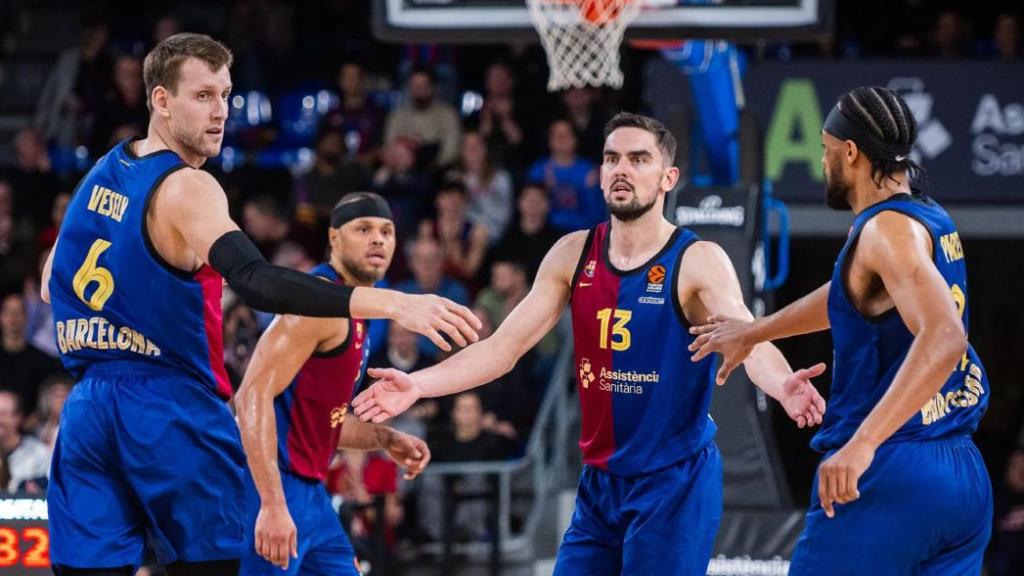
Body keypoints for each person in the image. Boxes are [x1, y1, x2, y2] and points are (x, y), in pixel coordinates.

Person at [40, 33, 479, 575]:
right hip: (167, 406)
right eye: (203, 96)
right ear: (159, 100)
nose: (221, 111)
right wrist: (392, 303)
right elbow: (254, 278)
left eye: (226, 95)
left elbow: (49, 280)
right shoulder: (187, 187)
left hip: (86, 408)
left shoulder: (101, 174)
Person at [353, 112, 826, 575]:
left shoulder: (697, 259)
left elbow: (746, 335)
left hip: (673, 481)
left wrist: (783, 384)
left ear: (668, 178)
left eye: (639, 159)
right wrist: (418, 384)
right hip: (600, 482)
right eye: (612, 158)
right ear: (600, 174)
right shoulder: (572, 252)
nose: (622, 169)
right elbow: (503, 348)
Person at [688, 86, 992, 575]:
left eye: (826, 150)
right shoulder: (928, 218)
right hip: (959, 472)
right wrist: (755, 331)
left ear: (850, 153)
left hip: (890, 469)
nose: (822, 161)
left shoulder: (886, 232)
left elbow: (945, 335)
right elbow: (847, 295)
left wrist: (864, 443)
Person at [236, 192, 431, 573]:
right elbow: (250, 397)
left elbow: (321, 418)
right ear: (334, 238)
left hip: (311, 494)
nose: (378, 239)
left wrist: (383, 438)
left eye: (387, 231)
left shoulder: (356, 312)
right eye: (364, 229)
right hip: (271, 486)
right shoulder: (318, 304)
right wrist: (272, 502)